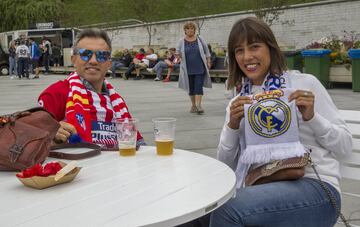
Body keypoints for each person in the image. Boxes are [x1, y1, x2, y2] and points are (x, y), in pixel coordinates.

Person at [209, 17, 352, 227]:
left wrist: (313, 118)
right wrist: (232, 126)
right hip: (260, 187)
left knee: (229, 211)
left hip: (317, 189)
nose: (247, 56)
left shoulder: (304, 84)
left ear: (271, 48)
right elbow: (225, 165)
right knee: (197, 211)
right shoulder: (239, 101)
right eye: (239, 50)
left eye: (254, 46)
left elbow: (345, 146)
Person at [38, 28, 145, 149]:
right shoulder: (56, 93)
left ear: (109, 63)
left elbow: (138, 143)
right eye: (85, 54)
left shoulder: (117, 102)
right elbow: (30, 134)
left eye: (102, 55)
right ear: (74, 60)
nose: (93, 61)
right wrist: (50, 132)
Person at [176, 21, 212, 114]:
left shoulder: (200, 39)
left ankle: (199, 105)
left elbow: (207, 51)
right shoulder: (181, 41)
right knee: (191, 88)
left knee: (198, 87)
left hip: (199, 67)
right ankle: (193, 105)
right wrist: (178, 55)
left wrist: (208, 61)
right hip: (187, 69)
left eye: (192, 28)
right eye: (188, 28)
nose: (190, 30)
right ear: (185, 30)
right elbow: (178, 52)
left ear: (194, 30)